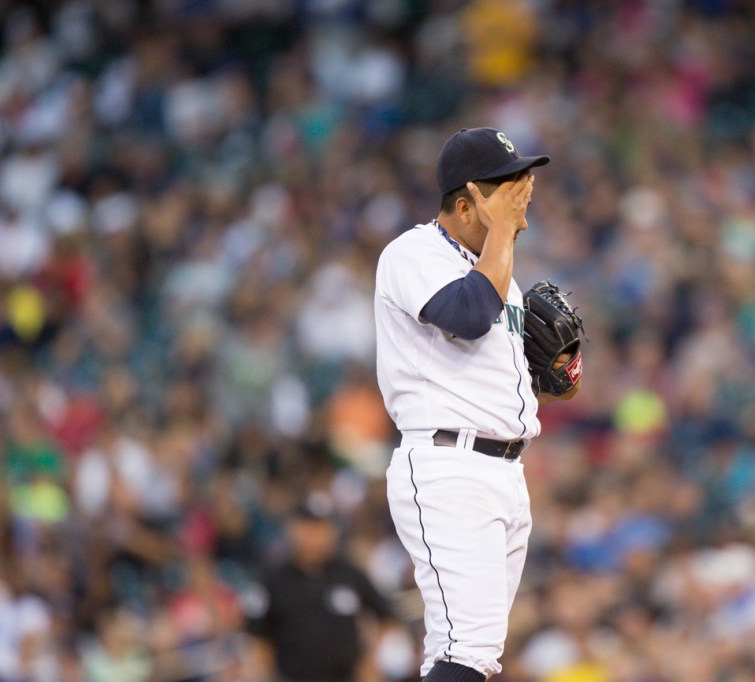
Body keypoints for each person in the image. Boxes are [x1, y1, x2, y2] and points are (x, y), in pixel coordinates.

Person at [374, 127, 580, 681]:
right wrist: (505, 233)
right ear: (466, 201)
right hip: (449, 468)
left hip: (504, 472)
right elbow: (467, 315)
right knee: (470, 650)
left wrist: (554, 375)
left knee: (466, 652)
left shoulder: (501, 276)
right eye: (508, 185)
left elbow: (505, 373)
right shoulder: (412, 252)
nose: (523, 191)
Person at [245, 500, 396, 682]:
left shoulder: (348, 574)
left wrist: (371, 659)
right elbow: (258, 636)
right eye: (310, 527)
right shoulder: (274, 579)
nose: (317, 535)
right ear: (293, 529)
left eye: (323, 527)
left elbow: (387, 616)